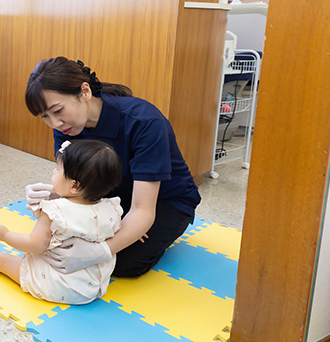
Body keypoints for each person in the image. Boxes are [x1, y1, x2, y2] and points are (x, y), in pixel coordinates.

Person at [24, 57, 202, 277]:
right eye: (45, 117)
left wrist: (102, 248)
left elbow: (142, 209)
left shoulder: (144, 122)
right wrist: (49, 194)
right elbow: (76, 184)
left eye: (58, 111)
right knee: (56, 243)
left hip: (165, 200)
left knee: (122, 264)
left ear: (85, 91)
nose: (55, 124)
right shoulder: (66, 127)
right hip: (108, 195)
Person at [0, 139, 123, 305]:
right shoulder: (112, 208)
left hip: (61, 286)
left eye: (58, 169)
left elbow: (34, 245)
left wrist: (6, 235)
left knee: (2, 259)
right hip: (94, 286)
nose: (53, 172)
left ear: (74, 186)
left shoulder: (54, 211)